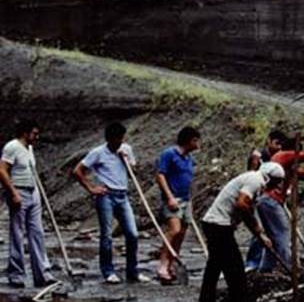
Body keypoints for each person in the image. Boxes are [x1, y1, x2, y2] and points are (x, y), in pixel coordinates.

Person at [198, 162, 282, 302]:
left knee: (215, 266)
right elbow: (242, 205)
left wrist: (260, 234)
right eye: (276, 182)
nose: (277, 186)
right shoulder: (255, 180)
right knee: (234, 267)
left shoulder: (255, 182)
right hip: (218, 225)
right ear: (270, 178)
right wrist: (258, 231)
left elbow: (246, 210)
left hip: (215, 224)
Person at [73, 121, 150, 284]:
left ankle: (132, 271)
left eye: (122, 139)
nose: (120, 142)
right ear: (110, 139)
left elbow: (133, 173)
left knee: (133, 234)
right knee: (107, 236)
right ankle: (108, 271)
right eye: (117, 139)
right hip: (106, 195)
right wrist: (91, 188)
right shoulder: (98, 153)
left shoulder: (126, 149)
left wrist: (126, 161)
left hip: (123, 195)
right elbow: (78, 171)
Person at [245, 132, 304, 274]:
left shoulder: (287, 163)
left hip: (269, 202)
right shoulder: (283, 155)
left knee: (273, 237)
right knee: (282, 235)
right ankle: (290, 269)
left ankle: (266, 269)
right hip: (270, 201)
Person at [0, 120, 54, 289]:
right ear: (25, 133)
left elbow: (31, 170)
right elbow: (2, 170)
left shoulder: (29, 149)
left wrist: (37, 192)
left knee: (37, 232)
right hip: (19, 191)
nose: (37, 137)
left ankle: (42, 274)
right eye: (34, 133)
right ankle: (16, 275)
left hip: (33, 191)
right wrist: (13, 192)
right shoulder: (12, 147)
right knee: (17, 233)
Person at [155, 125, 201, 284]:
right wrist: (169, 197)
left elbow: (189, 179)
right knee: (174, 229)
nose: (198, 144)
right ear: (189, 141)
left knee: (182, 233)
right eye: (196, 140)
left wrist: (191, 199)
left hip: (186, 199)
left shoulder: (189, 158)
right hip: (173, 198)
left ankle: (174, 261)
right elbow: (160, 175)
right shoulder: (169, 154)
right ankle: (163, 263)